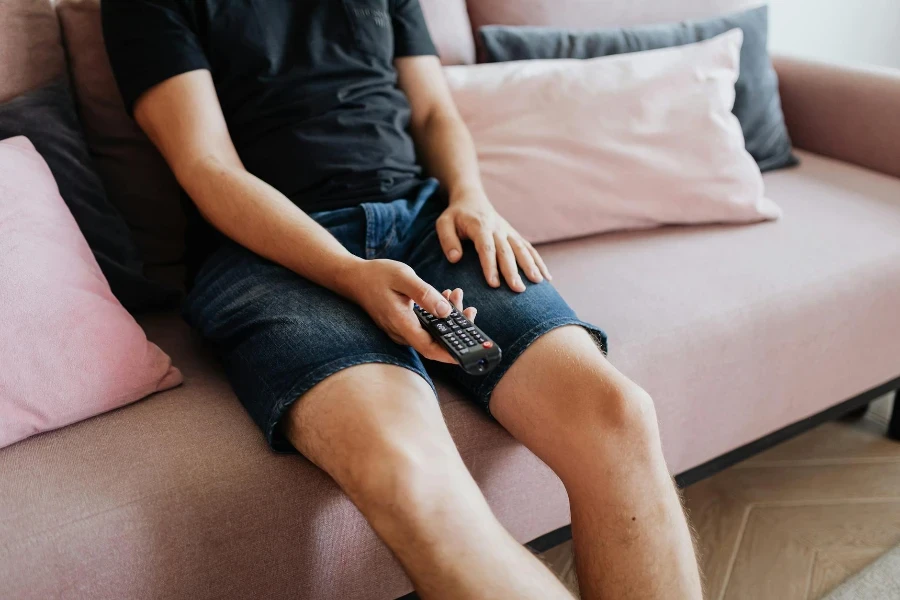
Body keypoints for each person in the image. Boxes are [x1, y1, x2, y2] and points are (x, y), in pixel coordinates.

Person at [102, 1, 703, 598]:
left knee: (617, 415)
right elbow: (207, 165)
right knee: (410, 473)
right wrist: (348, 272)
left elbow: (435, 111)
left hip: (423, 220)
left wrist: (471, 197)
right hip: (267, 252)